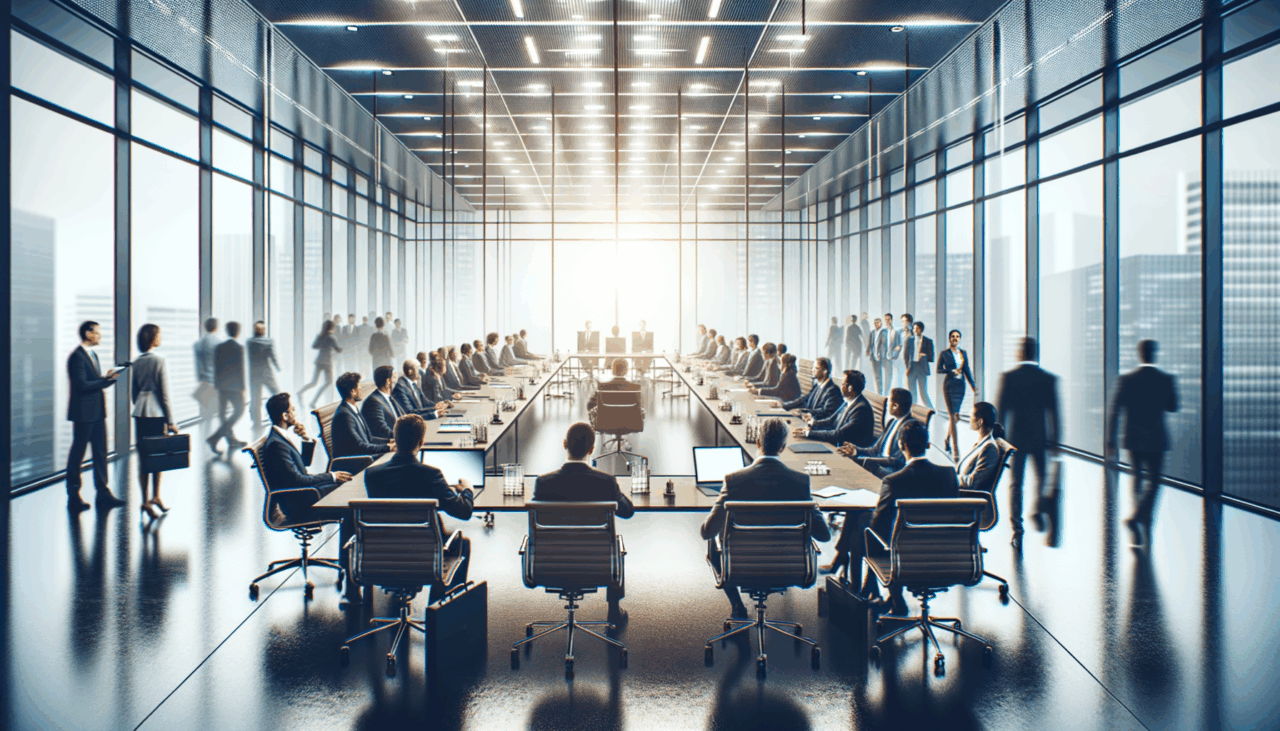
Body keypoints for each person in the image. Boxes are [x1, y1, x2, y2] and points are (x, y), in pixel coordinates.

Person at [701, 418, 831, 617]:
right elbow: (824, 535)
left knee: (716, 537)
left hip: (740, 567)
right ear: (783, 447)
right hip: (789, 567)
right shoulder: (800, 482)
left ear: (758, 443)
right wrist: (812, 501)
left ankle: (737, 606)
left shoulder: (734, 480)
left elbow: (707, 531)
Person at [364, 414, 473, 602]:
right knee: (462, 543)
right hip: (423, 557)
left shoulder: (372, 474)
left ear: (395, 439)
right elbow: (464, 512)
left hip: (382, 555)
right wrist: (468, 490)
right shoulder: (431, 474)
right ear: (421, 442)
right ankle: (438, 608)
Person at [856, 420, 959, 615]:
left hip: (907, 559)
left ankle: (882, 595)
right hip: (947, 557)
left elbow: (878, 527)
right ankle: (881, 595)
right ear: (928, 445)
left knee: (868, 526)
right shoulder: (949, 475)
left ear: (902, 447)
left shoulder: (894, 481)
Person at [532, 422, 635, 618]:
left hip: (550, 564)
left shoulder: (543, 483)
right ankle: (613, 609)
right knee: (616, 544)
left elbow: (537, 517)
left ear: (564, 444)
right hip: (596, 564)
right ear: (592, 449)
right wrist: (617, 491)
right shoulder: (605, 482)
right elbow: (627, 511)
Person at [1107, 339, 1179, 549]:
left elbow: (1115, 411)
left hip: (1134, 438)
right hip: (1157, 439)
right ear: (1154, 354)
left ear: (1140, 354)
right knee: (1154, 483)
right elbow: (1173, 407)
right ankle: (1142, 520)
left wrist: (1111, 440)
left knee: (1137, 480)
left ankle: (1138, 521)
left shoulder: (1127, 380)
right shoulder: (1166, 379)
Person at [996, 337, 1060, 547]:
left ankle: (1017, 528)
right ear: (1036, 354)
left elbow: (1001, 413)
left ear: (1019, 353)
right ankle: (1039, 508)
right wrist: (1056, 440)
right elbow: (1054, 413)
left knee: (1016, 484)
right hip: (1041, 438)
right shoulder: (1048, 379)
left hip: (1016, 438)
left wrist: (1000, 442)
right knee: (1042, 478)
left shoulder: (1009, 378)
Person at [262, 392, 353, 522]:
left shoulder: (279, 438)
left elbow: (303, 464)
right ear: (285, 416)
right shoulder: (276, 444)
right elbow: (298, 479)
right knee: (348, 495)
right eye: (293, 410)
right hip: (301, 504)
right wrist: (331, 476)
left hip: (304, 494)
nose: (296, 414)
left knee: (346, 486)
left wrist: (306, 439)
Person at [65, 321, 126, 511]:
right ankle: (74, 495)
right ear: (88, 334)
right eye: (97, 333)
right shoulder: (77, 357)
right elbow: (81, 385)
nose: (100, 336)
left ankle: (103, 493)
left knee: (100, 453)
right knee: (78, 454)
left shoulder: (93, 355)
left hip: (98, 413)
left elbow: (92, 383)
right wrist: (104, 380)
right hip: (83, 415)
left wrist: (107, 380)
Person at [131, 324, 179, 519]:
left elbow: (134, 393)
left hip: (141, 412)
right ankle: (155, 496)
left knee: (144, 458)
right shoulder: (160, 360)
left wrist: (142, 403)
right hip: (156, 413)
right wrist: (171, 421)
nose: (160, 338)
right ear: (152, 338)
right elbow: (164, 393)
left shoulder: (137, 362)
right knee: (157, 456)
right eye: (158, 335)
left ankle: (146, 500)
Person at [838, 387, 912, 480]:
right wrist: (856, 450)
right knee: (847, 458)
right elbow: (875, 449)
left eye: (889, 402)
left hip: (892, 471)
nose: (888, 406)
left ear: (895, 406)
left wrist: (868, 460)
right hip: (878, 463)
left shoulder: (909, 428)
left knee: (854, 464)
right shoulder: (892, 422)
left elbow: (896, 461)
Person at [793, 370, 875, 447]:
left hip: (848, 454)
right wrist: (813, 423)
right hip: (836, 445)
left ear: (850, 388)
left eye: (843, 384)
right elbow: (831, 420)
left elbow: (838, 434)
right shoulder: (849, 401)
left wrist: (809, 433)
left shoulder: (861, 409)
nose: (841, 386)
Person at [331, 372, 394, 460]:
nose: (361, 389)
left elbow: (369, 439)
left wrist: (390, 442)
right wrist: (389, 448)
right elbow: (360, 447)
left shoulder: (352, 409)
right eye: (359, 387)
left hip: (362, 457)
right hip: (354, 462)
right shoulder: (344, 415)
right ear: (353, 391)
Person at [937, 329, 978, 461]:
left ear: (960, 339)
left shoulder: (963, 353)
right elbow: (938, 369)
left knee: (956, 417)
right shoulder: (944, 354)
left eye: (957, 337)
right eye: (953, 337)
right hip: (949, 386)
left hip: (961, 387)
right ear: (950, 339)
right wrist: (951, 370)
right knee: (952, 415)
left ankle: (947, 439)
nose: (955, 338)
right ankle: (956, 450)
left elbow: (967, 370)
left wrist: (973, 386)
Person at [209, 322, 247, 454]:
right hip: (235, 387)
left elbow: (216, 368)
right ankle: (215, 438)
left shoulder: (219, 347)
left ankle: (231, 441)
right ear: (237, 331)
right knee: (239, 411)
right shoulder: (239, 347)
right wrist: (243, 388)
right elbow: (240, 369)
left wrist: (217, 385)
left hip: (221, 386)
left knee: (223, 415)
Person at [958, 402, 1005, 492]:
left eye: (971, 417)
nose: (969, 419)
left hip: (963, 496)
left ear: (980, 422)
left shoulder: (989, 448)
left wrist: (952, 479)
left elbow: (973, 482)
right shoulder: (981, 443)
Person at [297, 320, 342, 410]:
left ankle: (300, 392)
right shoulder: (331, 338)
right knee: (329, 382)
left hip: (319, 361)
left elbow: (314, 346)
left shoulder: (320, 336)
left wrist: (322, 346)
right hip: (327, 362)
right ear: (332, 328)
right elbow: (337, 349)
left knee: (314, 382)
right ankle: (313, 401)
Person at [777, 357, 842, 421]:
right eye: (813, 367)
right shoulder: (817, 386)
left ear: (825, 371)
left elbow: (826, 413)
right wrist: (784, 406)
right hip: (808, 421)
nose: (812, 370)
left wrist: (802, 411)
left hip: (818, 426)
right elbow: (804, 399)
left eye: (816, 368)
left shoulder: (833, 390)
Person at [245, 321, 281, 427]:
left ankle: (256, 421)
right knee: (276, 393)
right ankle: (277, 416)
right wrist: (277, 366)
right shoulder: (268, 341)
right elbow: (272, 355)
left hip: (254, 374)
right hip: (266, 372)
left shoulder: (249, 342)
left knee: (255, 397)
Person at [363, 365, 411, 440]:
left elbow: (404, 417)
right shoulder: (372, 402)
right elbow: (382, 431)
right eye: (394, 377)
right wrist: (405, 437)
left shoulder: (389, 397)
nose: (396, 381)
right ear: (388, 381)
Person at [193, 317, 221, 424]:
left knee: (205, 415)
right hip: (216, 381)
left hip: (204, 381)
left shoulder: (198, 344)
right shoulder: (219, 343)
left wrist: (201, 378)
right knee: (217, 415)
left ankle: (204, 436)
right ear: (216, 327)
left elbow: (197, 364)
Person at [904, 320, 935, 410]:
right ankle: (913, 411)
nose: (915, 330)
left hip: (922, 368)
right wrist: (907, 367)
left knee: (923, 392)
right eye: (914, 328)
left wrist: (924, 356)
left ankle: (932, 410)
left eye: (917, 329)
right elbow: (906, 355)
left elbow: (931, 357)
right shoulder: (909, 340)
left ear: (921, 329)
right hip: (911, 367)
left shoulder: (928, 341)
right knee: (911, 392)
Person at [885, 313, 906, 391]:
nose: (887, 321)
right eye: (886, 319)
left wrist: (896, 350)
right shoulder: (883, 331)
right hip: (885, 358)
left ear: (892, 320)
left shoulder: (895, 331)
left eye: (889, 319)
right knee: (887, 378)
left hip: (894, 358)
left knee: (897, 377)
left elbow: (898, 344)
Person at [866, 317, 887, 394]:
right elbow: (870, 343)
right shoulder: (872, 332)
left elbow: (884, 343)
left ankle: (882, 392)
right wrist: (868, 351)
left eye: (878, 322)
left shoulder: (884, 332)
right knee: (876, 375)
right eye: (875, 323)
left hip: (881, 356)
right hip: (873, 356)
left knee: (881, 375)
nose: (876, 324)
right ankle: (878, 391)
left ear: (881, 324)